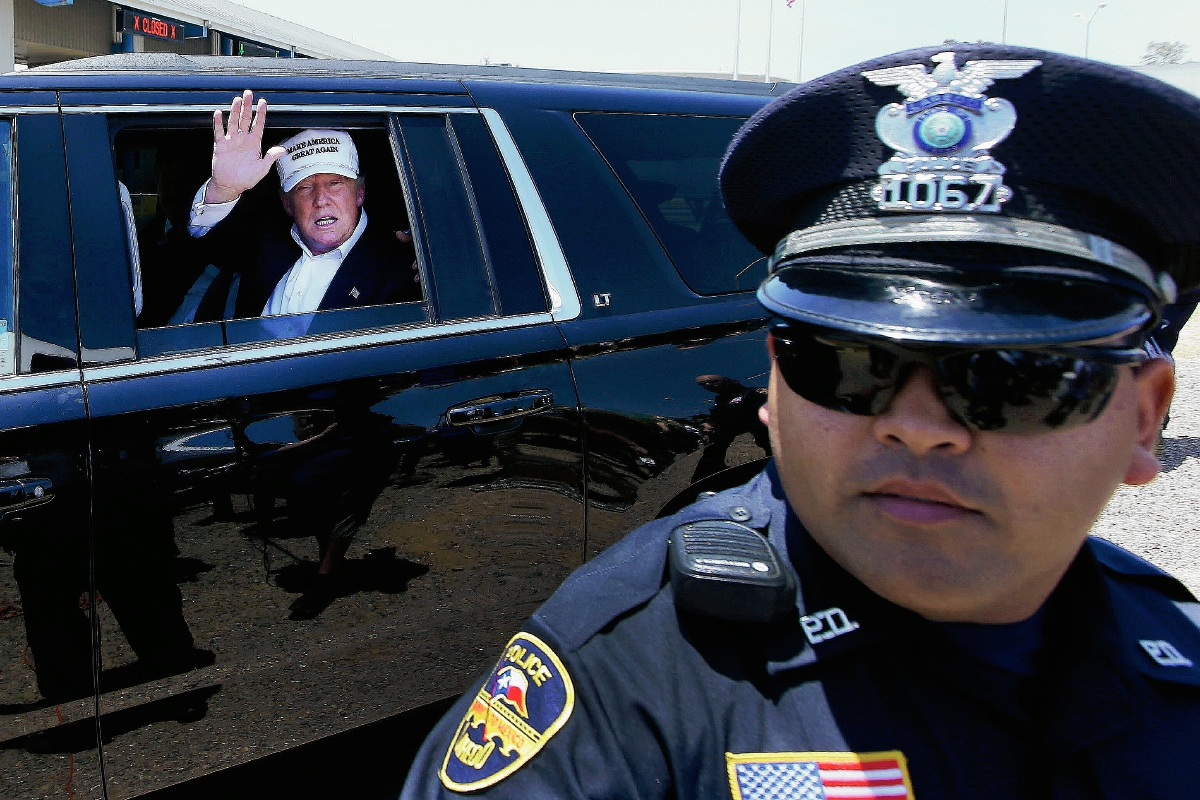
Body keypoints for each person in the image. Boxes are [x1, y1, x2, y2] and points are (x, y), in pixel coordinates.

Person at [399, 45, 1200, 799]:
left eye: (1013, 377)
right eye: (843, 361)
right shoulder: (631, 670)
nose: (918, 427)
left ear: (1144, 418)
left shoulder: (1174, 645)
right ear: (774, 384)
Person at [184, 90, 419, 321]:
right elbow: (209, 245)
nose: (321, 199)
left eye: (335, 183)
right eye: (304, 188)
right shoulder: (267, 239)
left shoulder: (404, 268)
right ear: (287, 203)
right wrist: (224, 189)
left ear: (359, 193)